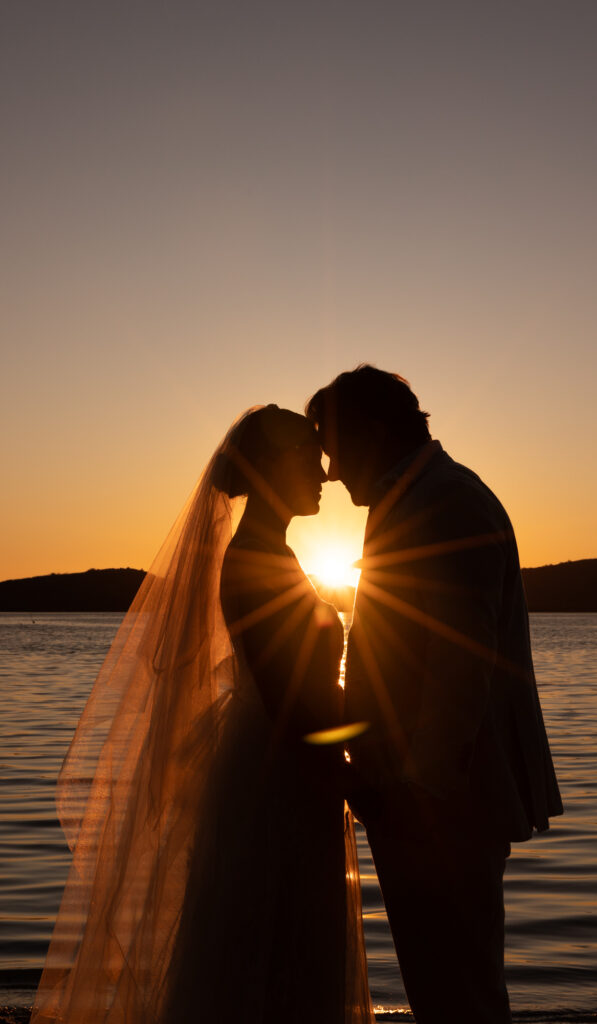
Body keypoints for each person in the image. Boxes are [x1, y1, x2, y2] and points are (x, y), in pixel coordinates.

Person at [30, 405, 374, 1024]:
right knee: (270, 951)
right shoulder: (253, 563)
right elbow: (289, 702)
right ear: (270, 469)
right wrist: (349, 776)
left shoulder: (273, 556)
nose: (323, 472)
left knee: (275, 954)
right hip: (280, 781)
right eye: (306, 456)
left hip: (282, 771)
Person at [306, 366, 563, 1024]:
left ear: (371, 432)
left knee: (459, 991)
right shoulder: (418, 498)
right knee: (444, 983)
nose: (330, 472)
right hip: (425, 798)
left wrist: (415, 792)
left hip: (443, 801)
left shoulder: (446, 502)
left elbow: (457, 669)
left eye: (334, 450)